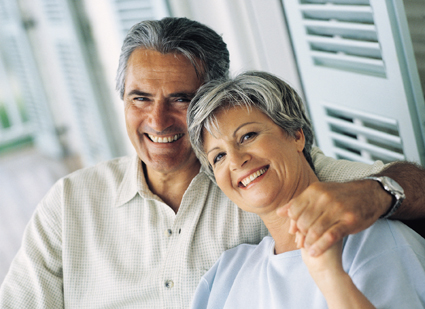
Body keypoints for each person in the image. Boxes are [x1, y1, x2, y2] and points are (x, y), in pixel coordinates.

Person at [0, 17, 424, 308]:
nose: (157, 120)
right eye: (140, 98)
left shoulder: (262, 177)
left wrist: (377, 193)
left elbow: (398, 185)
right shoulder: (70, 202)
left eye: (180, 99)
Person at [187, 71, 425, 308]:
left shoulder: (377, 240)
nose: (236, 161)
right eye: (218, 156)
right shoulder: (225, 274)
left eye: (248, 136)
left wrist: (329, 275)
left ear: (296, 135)